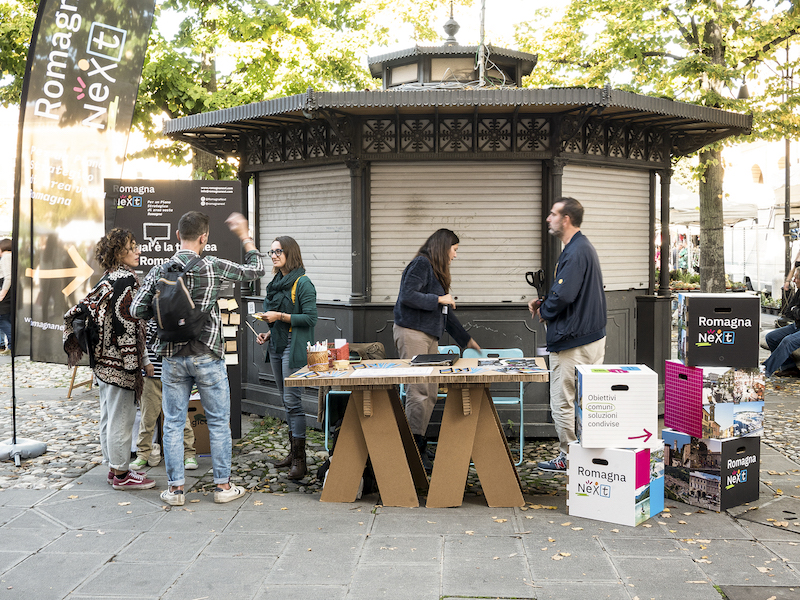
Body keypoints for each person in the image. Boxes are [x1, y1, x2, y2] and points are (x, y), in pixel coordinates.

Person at [130, 211, 264, 506]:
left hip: (172, 357)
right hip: (208, 353)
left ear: (177, 235)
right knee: (218, 422)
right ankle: (223, 487)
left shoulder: (159, 270)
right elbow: (256, 271)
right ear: (204, 238)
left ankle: (176, 490)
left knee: (174, 423)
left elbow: (135, 310)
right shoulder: (213, 266)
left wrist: (165, 312)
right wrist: (244, 236)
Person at [64, 229, 155, 491]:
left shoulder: (106, 279)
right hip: (122, 363)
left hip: (104, 362)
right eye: (132, 246)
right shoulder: (126, 279)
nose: (139, 250)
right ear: (118, 252)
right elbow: (133, 326)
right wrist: (140, 361)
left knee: (109, 414)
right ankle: (123, 474)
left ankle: (114, 469)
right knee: (122, 418)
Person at [528, 197, 607, 472]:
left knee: (562, 401)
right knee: (586, 401)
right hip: (591, 336)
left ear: (566, 219)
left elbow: (565, 294)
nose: (548, 218)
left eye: (553, 214)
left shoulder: (574, 252)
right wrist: (547, 302)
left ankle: (569, 457)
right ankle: (586, 456)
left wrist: (545, 309)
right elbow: (570, 292)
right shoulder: (583, 248)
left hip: (573, 341)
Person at [393, 228, 481, 472]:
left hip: (428, 335)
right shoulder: (421, 264)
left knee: (430, 392)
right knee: (418, 391)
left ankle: (418, 442)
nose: (455, 255)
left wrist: (466, 340)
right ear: (444, 248)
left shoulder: (435, 271)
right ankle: (413, 448)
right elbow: (407, 296)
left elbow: (445, 314)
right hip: (412, 333)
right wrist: (438, 299)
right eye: (454, 250)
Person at [255, 236, 317, 480]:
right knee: (285, 401)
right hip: (278, 345)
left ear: (290, 253)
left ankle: (300, 462)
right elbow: (276, 320)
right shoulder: (276, 282)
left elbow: (311, 318)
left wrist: (279, 316)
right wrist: (268, 334)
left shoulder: (303, 283)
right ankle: (293, 453)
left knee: (293, 401)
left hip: (294, 346)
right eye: (271, 252)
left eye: (279, 251)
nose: (274, 255)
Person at [129, 318, 199, 472]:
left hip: (174, 373)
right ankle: (143, 454)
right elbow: (140, 341)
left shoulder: (176, 313)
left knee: (181, 417)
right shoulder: (146, 315)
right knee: (148, 417)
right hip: (150, 374)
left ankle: (188, 453)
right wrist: (145, 362)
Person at [764, 268, 800, 377]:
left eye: (796, 278)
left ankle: (765, 371)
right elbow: (788, 312)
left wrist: (795, 310)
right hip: (797, 325)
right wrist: (796, 310)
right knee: (771, 337)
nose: (793, 280)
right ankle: (789, 367)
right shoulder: (799, 292)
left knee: (787, 341)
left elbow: (794, 312)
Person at [0, 238, 12, 355]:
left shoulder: (5, 257)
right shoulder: (12, 256)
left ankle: (12, 345)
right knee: (6, 318)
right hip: (10, 292)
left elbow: (8, 277)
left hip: (5, 292)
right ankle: (7, 346)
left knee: (2, 319)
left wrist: (2, 293)